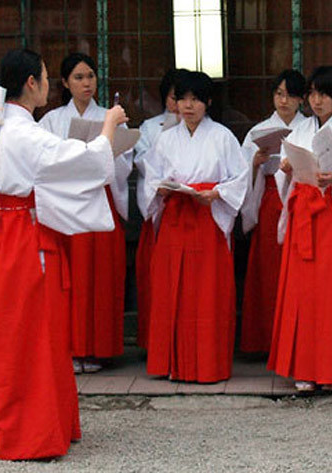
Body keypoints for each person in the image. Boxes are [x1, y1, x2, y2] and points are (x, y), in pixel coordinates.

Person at [0, 48, 127, 460]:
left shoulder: (4, 126)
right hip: (26, 239)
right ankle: (33, 432)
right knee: (34, 335)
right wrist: (109, 129)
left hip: (11, 233)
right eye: (45, 77)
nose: (46, 84)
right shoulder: (23, 132)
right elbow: (78, 161)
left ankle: (39, 423)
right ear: (32, 83)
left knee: (22, 333)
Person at [267, 65, 332, 393]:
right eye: (313, 93)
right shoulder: (299, 131)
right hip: (304, 215)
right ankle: (304, 368)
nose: (316, 100)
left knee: (331, 296)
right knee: (302, 295)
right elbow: (284, 174)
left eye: (324, 94)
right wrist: (286, 170)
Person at [144, 71, 248, 383]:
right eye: (183, 99)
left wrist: (217, 193)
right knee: (170, 289)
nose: (188, 106)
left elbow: (239, 178)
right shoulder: (165, 138)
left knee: (207, 293)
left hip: (207, 216)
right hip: (176, 216)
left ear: (208, 103)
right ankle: (173, 362)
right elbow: (151, 176)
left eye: (196, 99)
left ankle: (208, 363)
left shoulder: (222, 136)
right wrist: (159, 190)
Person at [39, 53, 132, 374]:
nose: (86, 83)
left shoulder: (110, 115)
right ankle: (69, 347)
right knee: (71, 279)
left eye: (90, 76)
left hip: (100, 197)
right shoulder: (51, 121)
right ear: (64, 83)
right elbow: (44, 162)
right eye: (78, 77)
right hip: (66, 204)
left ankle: (98, 348)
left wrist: (114, 148)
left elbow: (124, 162)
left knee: (101, 277)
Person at [239, 69, 307, 354]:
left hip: (300, 200)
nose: (284, 101)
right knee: (270, 271)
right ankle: (268, 339)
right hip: (269, 201)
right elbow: (241, 174)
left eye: (290, 95)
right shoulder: (259, 130)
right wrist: (255, 163)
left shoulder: (310, 128)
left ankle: (298, 339)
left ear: (301, 99)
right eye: (279, 94)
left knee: (300, 274)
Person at [133, 68, 188, 350]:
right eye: (173, 97)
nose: (179, 104)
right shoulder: (150, 128)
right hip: (159, 208)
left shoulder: (205, 127)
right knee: (157, 282)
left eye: (185, 97)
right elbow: (142, 162)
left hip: (190, 208)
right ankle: (155, 343)